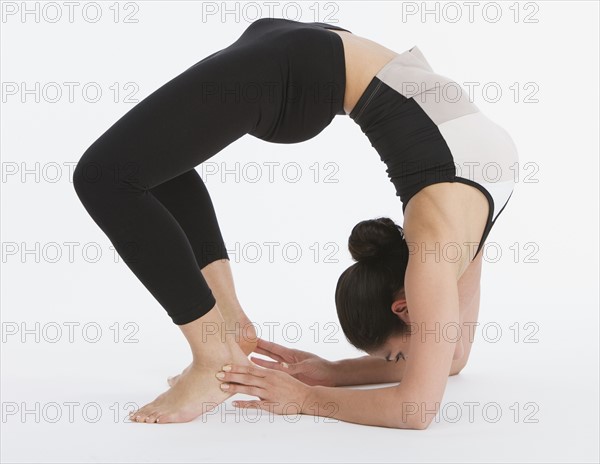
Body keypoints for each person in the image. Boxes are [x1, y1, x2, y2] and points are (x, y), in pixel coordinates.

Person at [73, 17, 518, 428]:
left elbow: (453, 359)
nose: (422, 358)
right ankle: (214, 355)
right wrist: (305, 399)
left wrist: (329, 376)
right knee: (106, 178)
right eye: (395, 357)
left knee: (151, 161)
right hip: (297, 69)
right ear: (402, 307)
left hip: (314, 53)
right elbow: (415, 409)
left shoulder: (460, 231)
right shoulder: (432, 259)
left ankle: (226, 326)